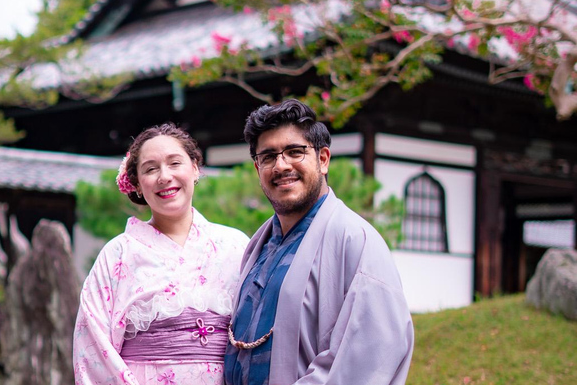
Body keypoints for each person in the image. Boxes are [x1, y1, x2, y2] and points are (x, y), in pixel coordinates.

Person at [224, 99, 414, 385]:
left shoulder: (355, 240)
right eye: (268, 156)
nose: (281, 165)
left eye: (295, 152)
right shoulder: (258, 244)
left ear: (323, 159)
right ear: (257, 167)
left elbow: (368, 356)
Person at [74, 123, 250, 385]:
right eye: (151, 169)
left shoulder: (235, 246)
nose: (164, 176)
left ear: (195, 169)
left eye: (174, 163)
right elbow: (92, 346)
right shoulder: (118, 254)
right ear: (136, 184)